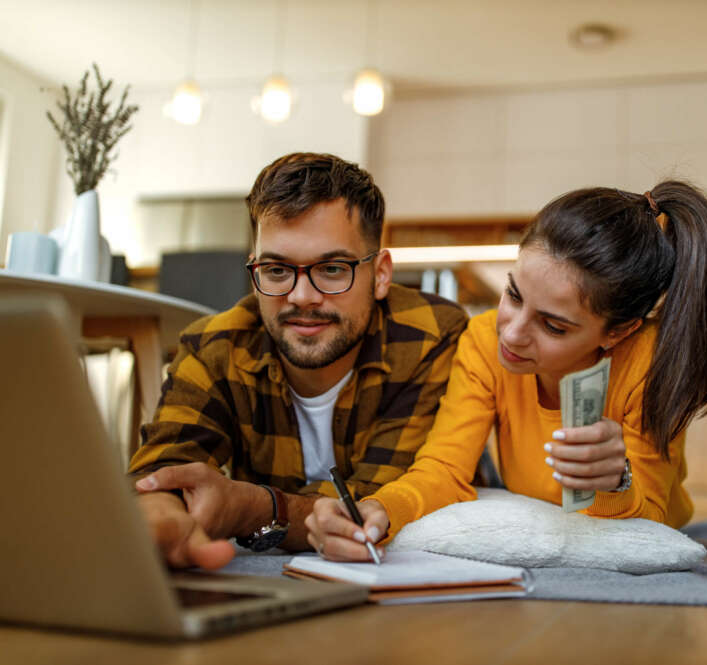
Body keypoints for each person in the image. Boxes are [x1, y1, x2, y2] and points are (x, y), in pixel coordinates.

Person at [306, 180, 707, 561]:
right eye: (514, 296)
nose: (513, 335)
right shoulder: (483, 339)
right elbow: (444, 467)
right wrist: (382, 509)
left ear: (617, 332)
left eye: (553, 326)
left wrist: (617, 481)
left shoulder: (649, 361)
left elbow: (652, 512)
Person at [129, 153, 468, 570]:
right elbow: (165, 466)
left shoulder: (430, 337)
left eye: (331, 268)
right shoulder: (213, 346)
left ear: (380, 275)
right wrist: (162, 512)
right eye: (275, 270)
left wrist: (254, 508)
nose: (301, 297)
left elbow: (382, 500)